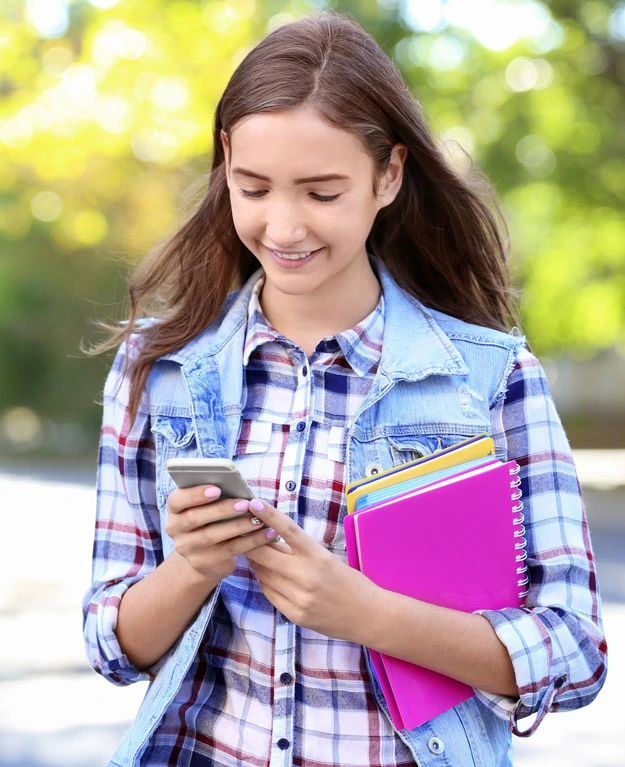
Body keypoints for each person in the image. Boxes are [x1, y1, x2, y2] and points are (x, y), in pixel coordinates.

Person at [82, 11, 607, 767]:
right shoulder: (155, 370)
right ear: (225, 161)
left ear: (388, 175)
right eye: (253, 187)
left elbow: (574, 649)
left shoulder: (491, 377)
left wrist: (368, 614)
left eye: (322, 193)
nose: (283, 225)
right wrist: (190, 567)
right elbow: (112, 642)